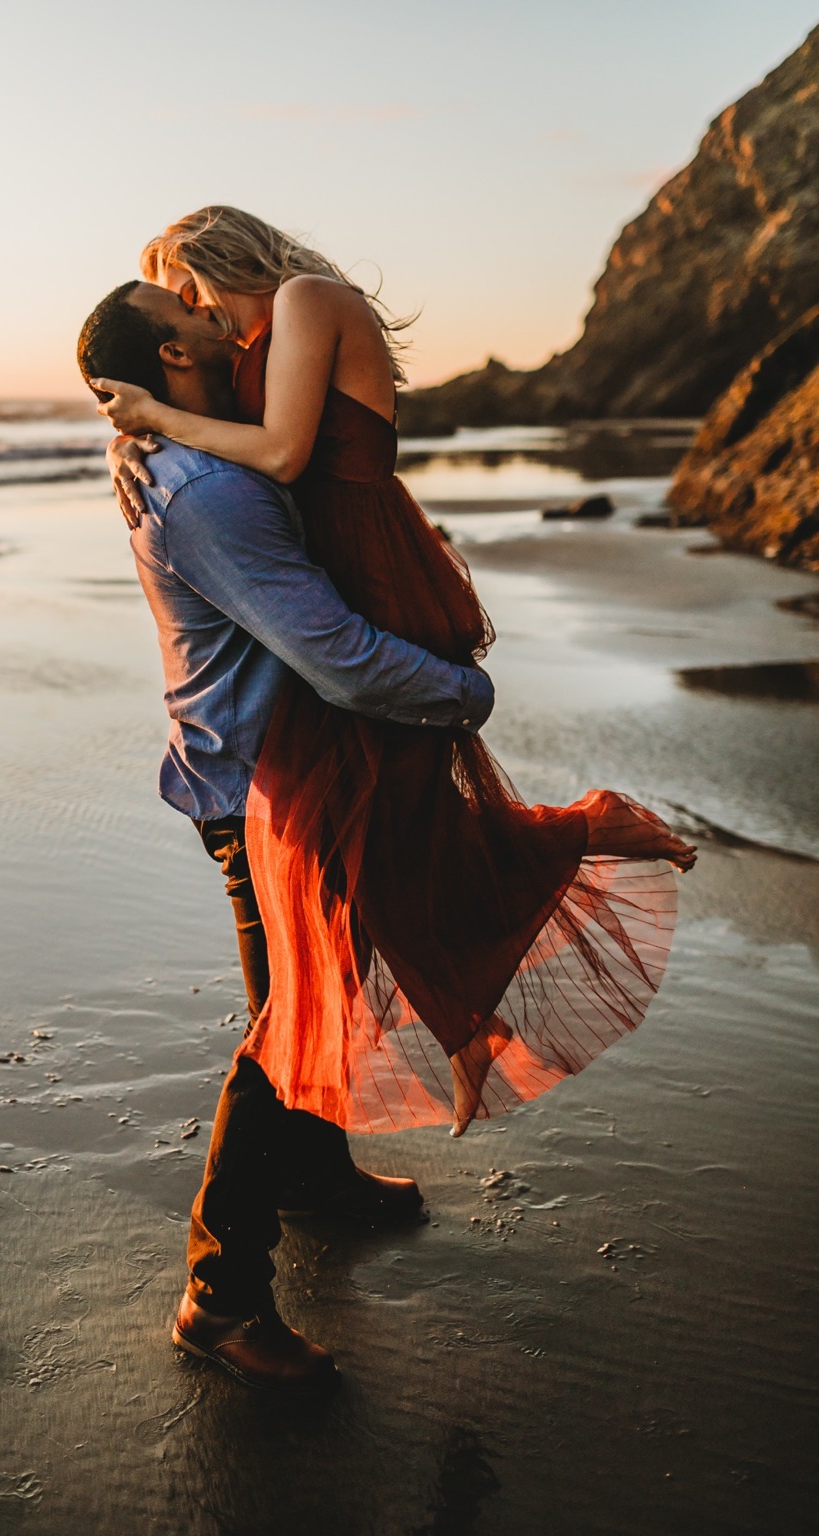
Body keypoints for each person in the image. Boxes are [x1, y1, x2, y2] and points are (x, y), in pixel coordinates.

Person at [90, 206, 696, 1149]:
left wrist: (153, 425)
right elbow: (247, 453)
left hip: (355, 596)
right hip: (310, 646)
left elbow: (281, 454)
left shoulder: (302, 303)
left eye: (191, 288)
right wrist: (133, 437)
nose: (199, 311)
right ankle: (286, 1189)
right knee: (346, 924)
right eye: (183, 307)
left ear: (218, 260)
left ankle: (320, 1156)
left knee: (370, 900)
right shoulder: (227, 406)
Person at [77, 279, 497, 1394]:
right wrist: (462, 693)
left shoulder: (193, 462)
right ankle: (218, 1300)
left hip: (265, 771)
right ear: (174, 356)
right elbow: (337, 657)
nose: (221, 318)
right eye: (191, 310)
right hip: (260, 790)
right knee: (287, 1024)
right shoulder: (211, 491)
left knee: (315, 991)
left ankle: (312, 1178)